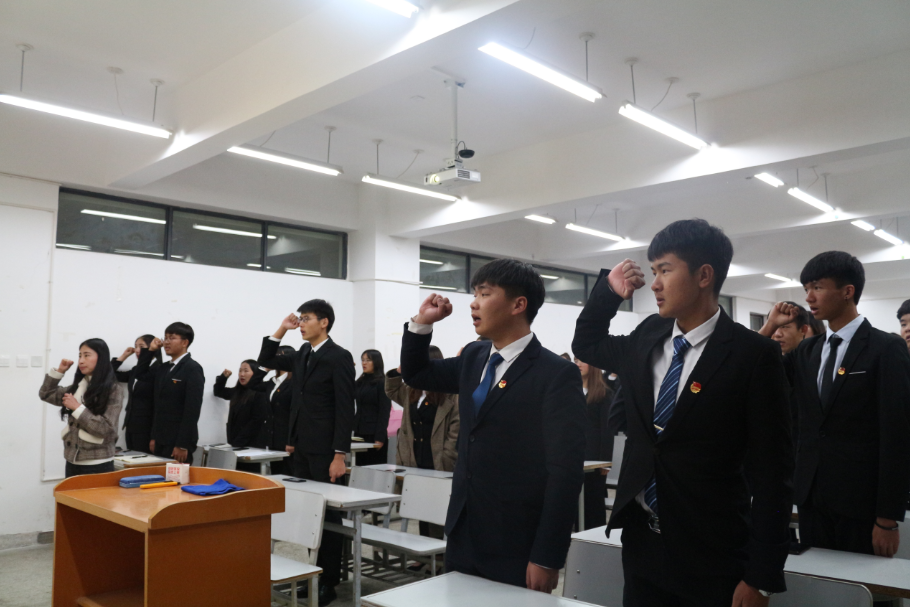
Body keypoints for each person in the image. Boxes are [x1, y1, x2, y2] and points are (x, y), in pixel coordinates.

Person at [573, 219, 793, 607]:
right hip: (642, 543)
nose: (654, 284)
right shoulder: (648, 335)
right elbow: (587, 344)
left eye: (665, 270)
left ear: (704, 275)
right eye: (652, 271)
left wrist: (761, 577)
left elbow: (773, 472)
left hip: (712, 551)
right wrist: (608, 292)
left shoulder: (752, 355)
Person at [400, 259, 586, 593]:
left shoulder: (555, 374)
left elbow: (565, 472)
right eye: (475, 294)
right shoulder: (475, 356)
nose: (474, 303)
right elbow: (417, 374)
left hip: (515, 539)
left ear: (518, 305)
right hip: (463, 530)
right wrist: (422, 324)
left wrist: (547, 556)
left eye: (485, 294)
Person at [758, 252, 910, 563]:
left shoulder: (885, 348)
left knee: (864, 583)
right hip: (812, 497)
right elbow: (755, 368)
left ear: (847, 291)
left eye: (817, 287)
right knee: (823, 580)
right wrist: (770, 325)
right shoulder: (808, 351)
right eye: (806, 289)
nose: (809, 297)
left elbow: (896, 435)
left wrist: (888, 518)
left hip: (861, 502)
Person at [258, 299, 354, 606]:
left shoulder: (339, 356)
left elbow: (344, 408)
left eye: (306, 318)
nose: (301, 324)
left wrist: (339, 455)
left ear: (324, 322)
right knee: (307, 514)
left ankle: (329, 581)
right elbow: (266, 358)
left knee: (328, 516)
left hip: (326, 450)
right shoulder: (302, 353)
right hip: (301, 447)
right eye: (299, 319)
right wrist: (282, 329)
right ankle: (311, 573)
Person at [386, 345, 460, 539]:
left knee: (438, 512)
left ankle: (438, 553)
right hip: (414, 462)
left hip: (437, 462)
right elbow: (391, 389)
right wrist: (399, 371)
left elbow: (456, 429)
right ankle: (425, 552)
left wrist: (447, 455)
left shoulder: (450, 394)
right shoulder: (412, 391)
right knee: (421, 511)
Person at [39, 338, 122, 477]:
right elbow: (46, 394)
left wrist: (77, 408)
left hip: (98, 463)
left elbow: (105, 428)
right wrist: (59, 371)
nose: (81, 361)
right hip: (72, 460)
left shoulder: (113, 389)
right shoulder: (79, 386)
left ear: (101, 358)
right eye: (80, 356)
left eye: (87, 355)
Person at [133, 322, 204, 465]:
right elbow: (140, 374)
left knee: (176, 478)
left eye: (171, 338)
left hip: (177, 441)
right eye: (165, 338)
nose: (166, 342)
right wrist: (150, 351)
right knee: (159, 477)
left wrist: (182, 444)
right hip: (160, 438)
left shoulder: (192, 368)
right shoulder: (164, 368)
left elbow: (192, 410)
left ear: (184, 342)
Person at [575, 357, 614, 530]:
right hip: (574, 454)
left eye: (582, 360)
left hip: (594, 457)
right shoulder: (572, 391)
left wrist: (605, 461)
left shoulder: (603, 394)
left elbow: (607, 430)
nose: (578, 363)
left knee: (593, 501)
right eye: (576, 360)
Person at [111, 334, 160, 453]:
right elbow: (110, 375)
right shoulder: (136, 370)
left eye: (141, 346)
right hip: (131, 425)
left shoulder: (159, 369)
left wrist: (155, 435)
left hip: (148, 427)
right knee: (132, 458)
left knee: (145, 460)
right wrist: (123, 356)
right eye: (136, 346)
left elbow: (158, 404)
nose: (137, 350)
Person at [214, 360, 268, 448]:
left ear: (255, 373)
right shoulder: (237, 391)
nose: (242, 374)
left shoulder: (260, 393)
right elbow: (218, 391)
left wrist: (240, 439)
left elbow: (257, 420)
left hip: (251, 444)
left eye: (246, 371)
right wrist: (223, 377)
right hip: (235, 442)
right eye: (240, 371)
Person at [353, 349, 392, 466]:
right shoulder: (360, 382)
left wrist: (380, 437)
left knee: (374, 468)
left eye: (368, 360)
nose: (364, 363)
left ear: (376, 362)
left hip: (374, 433)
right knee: (359, 467)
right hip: (359, 432)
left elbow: (384, 411)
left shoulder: (382, 383)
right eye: (363, 360)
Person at [261, 345, 295, 474]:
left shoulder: (294, 382)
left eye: (279, 355)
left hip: (287, 440)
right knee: (277, 475)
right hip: (273, 438)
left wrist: (292, 441)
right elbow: (253, 383)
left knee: (289, 475)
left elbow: (294, 413)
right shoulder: (273, 382)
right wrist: (266, 368)